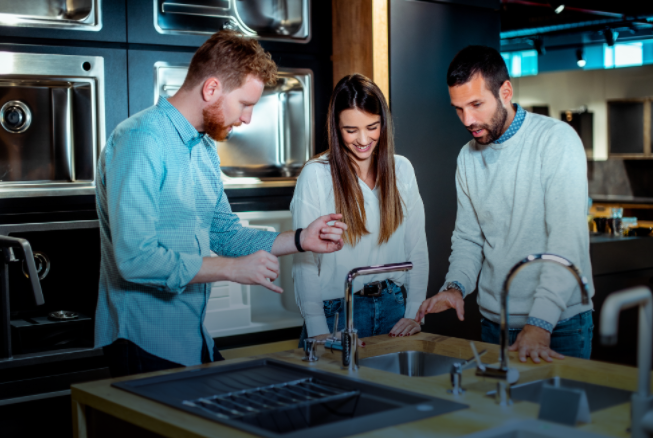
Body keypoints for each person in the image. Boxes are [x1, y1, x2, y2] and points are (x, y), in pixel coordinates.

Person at [95, 30, 347, 378]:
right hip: (143, 340)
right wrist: (231, 269)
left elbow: (226, 233)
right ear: (211, 89)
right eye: (245, 104)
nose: (247, 119)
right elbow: (135, 260)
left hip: (191, 336)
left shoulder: (203, 149)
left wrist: (302, 238)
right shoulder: (140, 140)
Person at [416, 45, 594, 363]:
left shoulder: (556, 140)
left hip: (560, 326)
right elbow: (470, 239)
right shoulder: (467, 157)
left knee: (555, 415)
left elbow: (565, 244)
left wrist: (540, 323)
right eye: (458, 108)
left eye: (476, 104)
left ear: (506, 91)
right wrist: (455, 286)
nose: (468, 119)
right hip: (494, 326)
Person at [292, 74, 428, 346]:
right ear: (336, 127)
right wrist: (317, 327)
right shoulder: (316, 175)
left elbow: (417, 250)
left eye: (372, 127)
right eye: (351, 130)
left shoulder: (401, 169)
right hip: (337, 313)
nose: (363, 139)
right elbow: (304, 261)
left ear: (384, 124)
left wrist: (415, 313)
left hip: (394, 307)